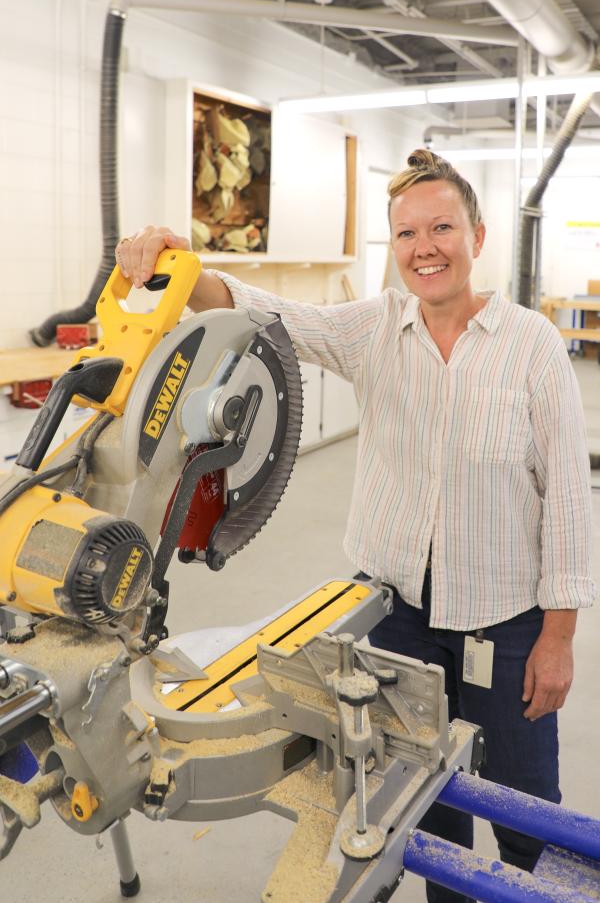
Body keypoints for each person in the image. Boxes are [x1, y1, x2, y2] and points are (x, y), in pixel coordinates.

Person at [116, 149, 596, 903]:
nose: (425, 247)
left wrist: (558, 637)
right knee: (424, 806)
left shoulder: (531, 345)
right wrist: (177, 264)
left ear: (477, 235)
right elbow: (269, 315)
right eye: (407, 233)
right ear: (393, 245)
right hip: (396, 615)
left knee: (525, 808)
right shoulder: (376, 327)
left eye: (442, 228)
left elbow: (567, 495)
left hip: (506, 623)